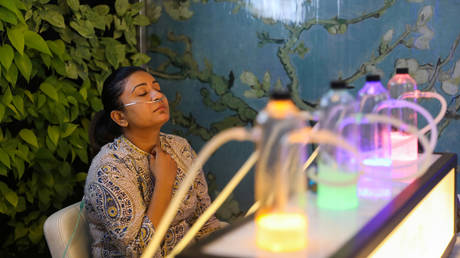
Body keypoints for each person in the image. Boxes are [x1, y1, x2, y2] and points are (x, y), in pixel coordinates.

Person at [83, 66, 223, 257]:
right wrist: (165, 182)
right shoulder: (109, 168)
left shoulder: (179, 147)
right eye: (142, 93)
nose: (158, 96)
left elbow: (205, 223)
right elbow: (139, 252)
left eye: (157, 88)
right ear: (120, 117)